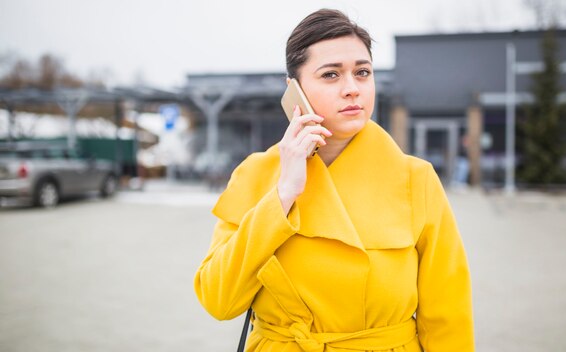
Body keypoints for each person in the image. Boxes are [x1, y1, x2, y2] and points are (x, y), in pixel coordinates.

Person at [194, 9, 474, 352]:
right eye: (331, 75)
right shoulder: (256, 174)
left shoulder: (415, 179)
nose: (352, 89)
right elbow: (218, 300)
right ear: (293, 89)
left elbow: (448, 317)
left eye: (362, 72)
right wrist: (282, 196)